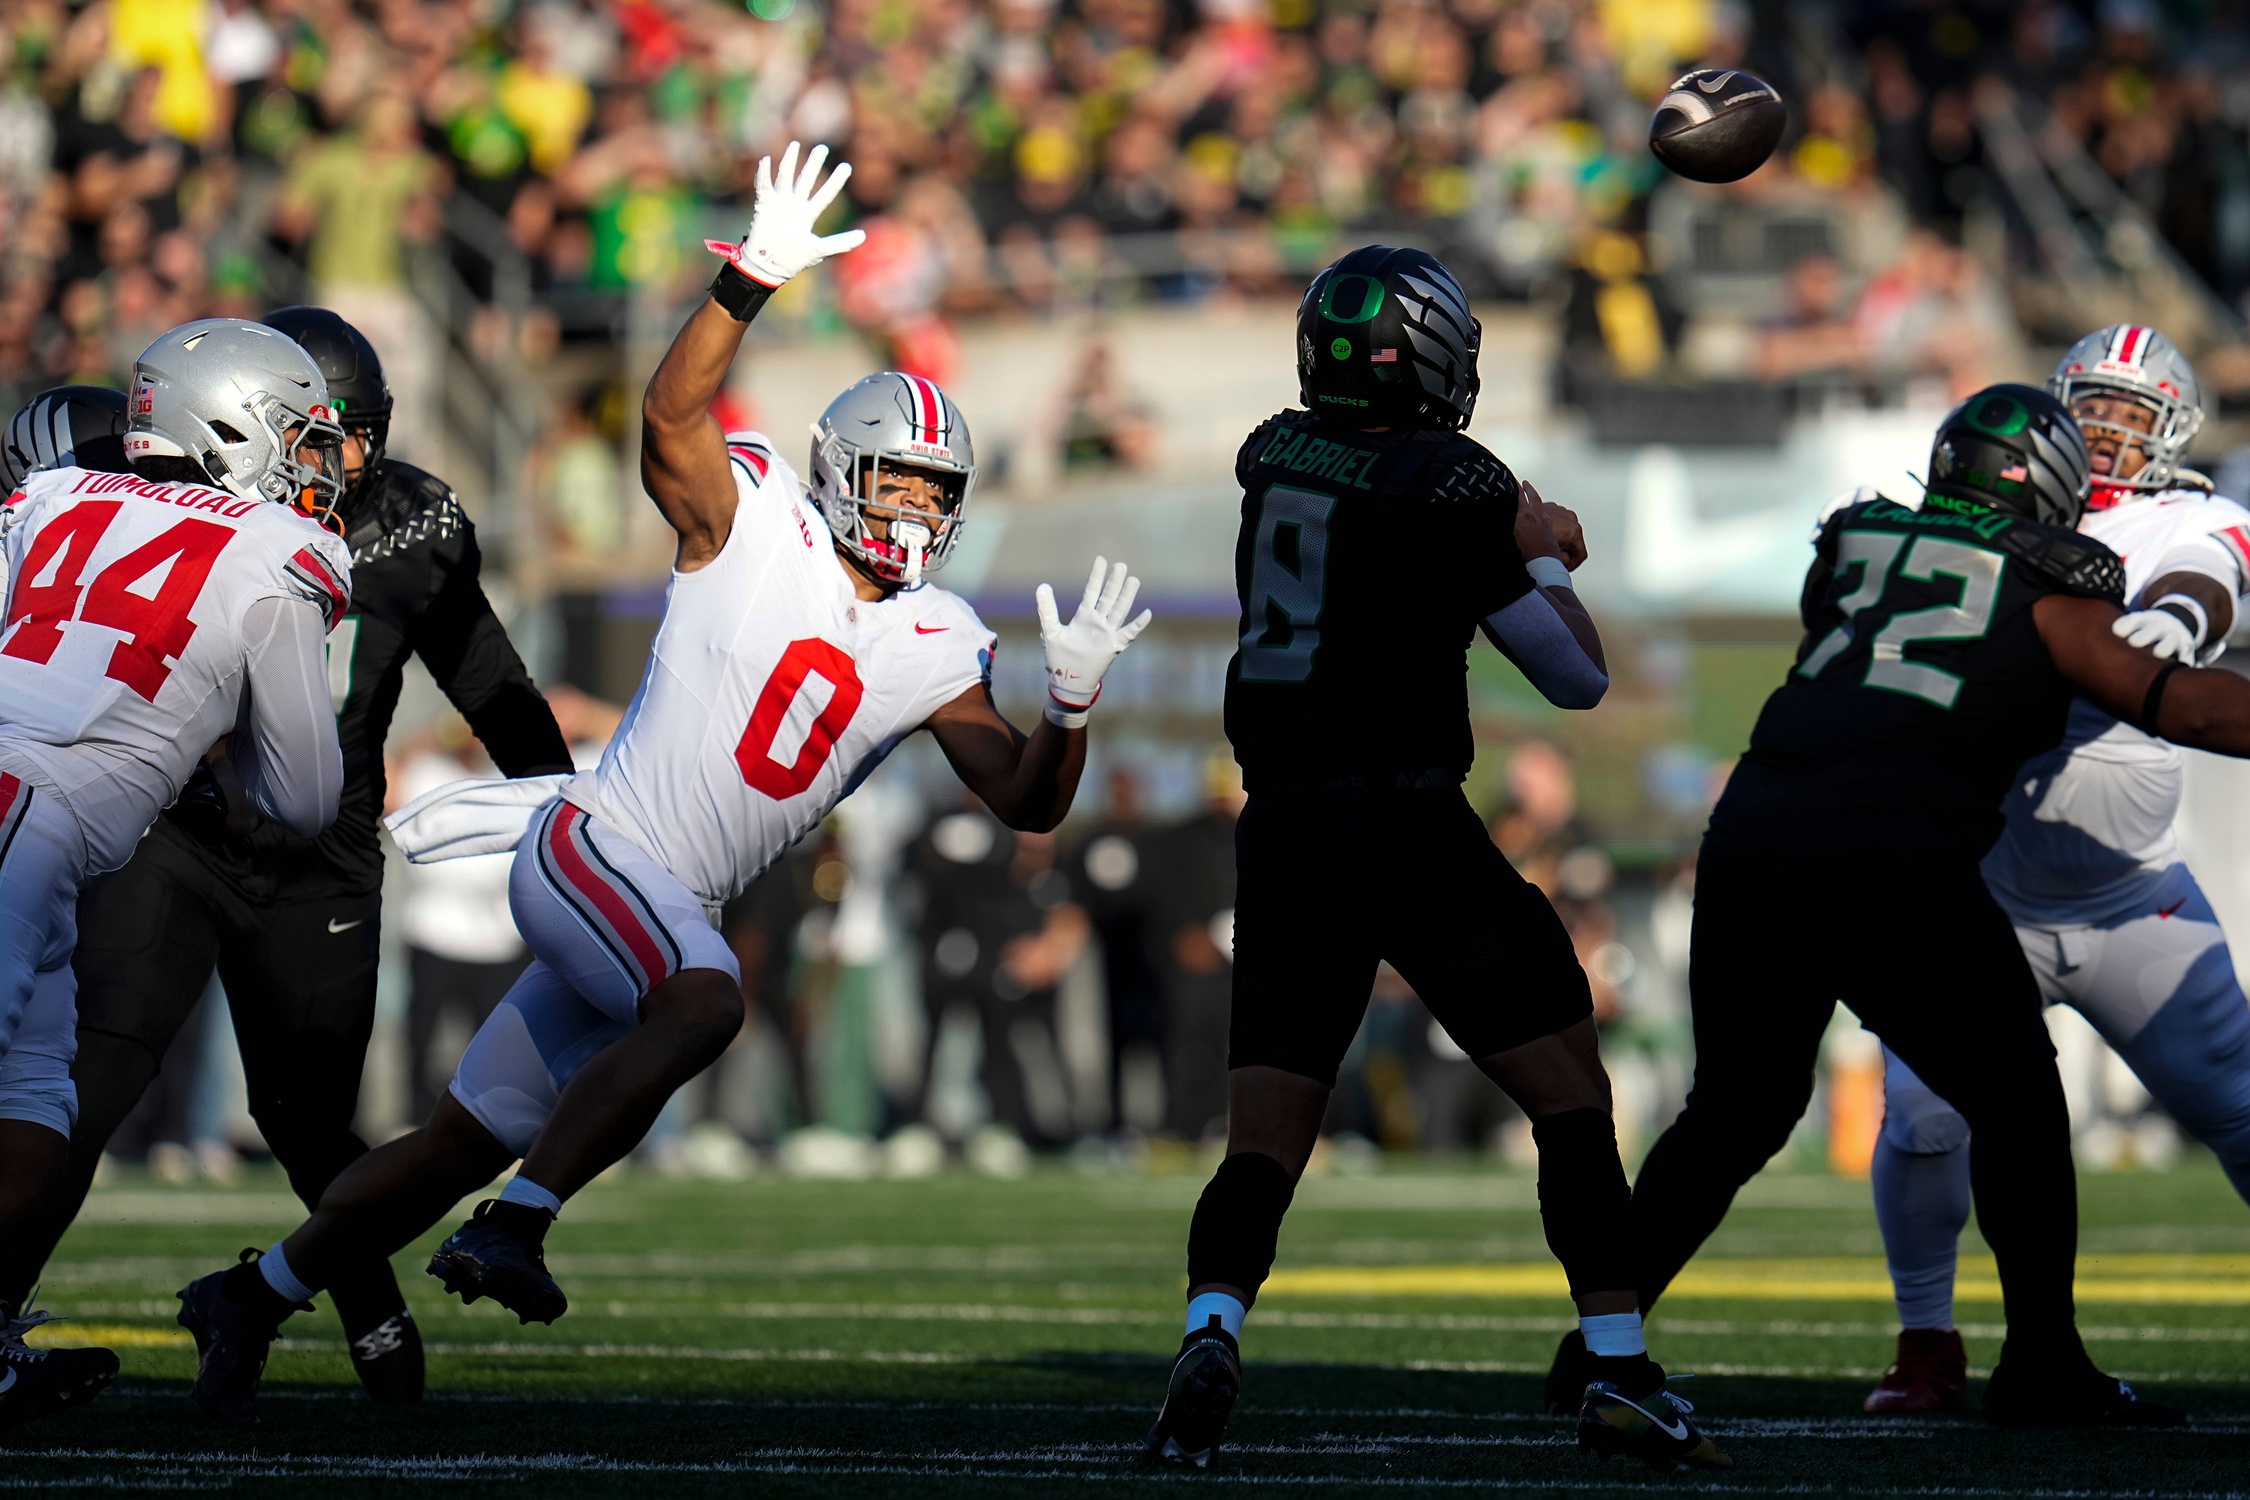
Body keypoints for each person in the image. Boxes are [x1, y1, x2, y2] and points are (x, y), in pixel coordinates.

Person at [173, 143, 1152, 1426]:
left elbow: (1027, 800)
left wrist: (1070, 706)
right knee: (706, 998)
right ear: (840, 470)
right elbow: (669, 417)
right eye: (897, 483)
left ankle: (253, 1293)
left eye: (935, 494)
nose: (913, 514)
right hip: (598, 846)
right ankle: (520, 1224)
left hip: (642, 897)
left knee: (456, 1139)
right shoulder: (753, 518)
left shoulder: (939, 640)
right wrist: (747, 281)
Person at [1562, 382, 2250, 1429]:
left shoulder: (1852, 545)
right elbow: (2180, 701)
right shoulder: (2053, 582)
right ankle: (2044, 1367)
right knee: (2017, 1096)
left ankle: (1598, 1346)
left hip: (1755, 834)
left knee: (1736, 1109)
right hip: (1893, 852)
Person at [1143, 246, 1726, 1473]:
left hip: (1285, 826)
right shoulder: (1452, 480)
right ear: (1432, 356)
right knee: (1570, 1088)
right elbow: (1575, 677)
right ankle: (1618, 1368)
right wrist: (1544, 548)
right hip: (1403, 823)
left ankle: (1211, 1327)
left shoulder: (1274, 454)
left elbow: (1364, 527)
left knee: (1265, 1135)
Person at [0, 308, 572, 1409]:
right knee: (88, 1082)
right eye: (315, 436)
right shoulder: (248, 529)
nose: (338, 463)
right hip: (171, 832)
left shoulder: (407, 523)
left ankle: (349, 1315)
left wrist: (567, 806)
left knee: (308, 1117)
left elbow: (488, 677)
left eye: (350, 436)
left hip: (316, 855)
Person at [1865, 328, 2250, 1414]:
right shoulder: (1999, 501)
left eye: (2136, 412)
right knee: (1924, 1119)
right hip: (1975, 894)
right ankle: (1926, 1343)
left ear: (2173, 427)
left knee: (2242, 1111)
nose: (2110, 430)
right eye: (2095, 405)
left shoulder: (2195, 516)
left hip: (2132, 898)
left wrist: (2173, 620)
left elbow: (2209, 577)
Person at [0, 324, 354, 1431]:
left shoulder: (50, 499)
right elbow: (302, 798)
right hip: (25, 819)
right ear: (232, 428)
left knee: (33, 1115)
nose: (316, 469)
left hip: (42, 840)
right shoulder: (276, 555)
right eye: (300, 441)